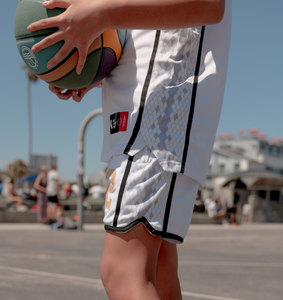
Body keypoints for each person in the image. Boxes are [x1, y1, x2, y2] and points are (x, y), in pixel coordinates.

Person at [28, 1, 231, 299]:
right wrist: (92, 62)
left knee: (121, 270)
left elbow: (208, 5)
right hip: (141, 101)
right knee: (157, 268)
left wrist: (98, 14)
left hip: (161, 100)